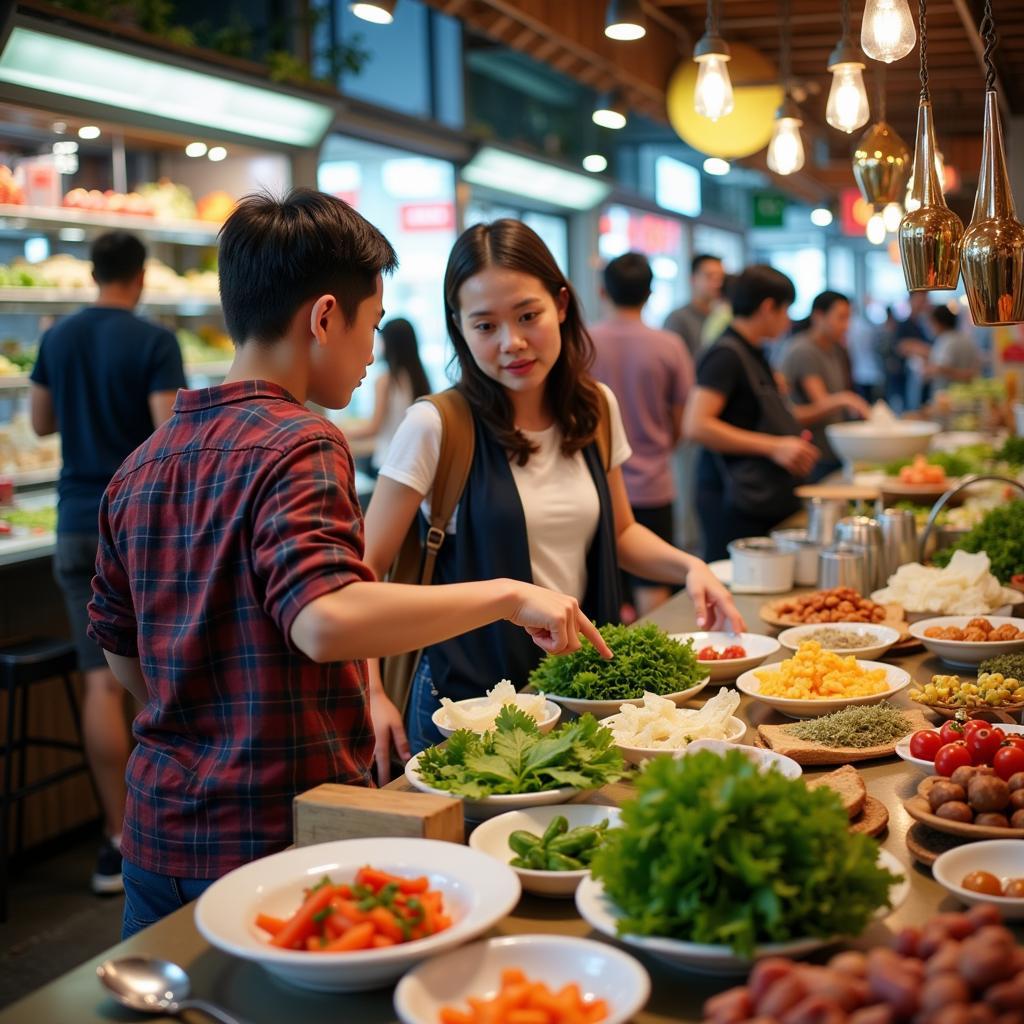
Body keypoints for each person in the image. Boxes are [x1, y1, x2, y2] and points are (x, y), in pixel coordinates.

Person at [86, 191, 612, 938]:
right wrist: (508, 595)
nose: (371, 351)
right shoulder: (302, 440)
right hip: (277, 835)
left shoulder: (140, 464)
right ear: (325, 317)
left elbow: (123, 657)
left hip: (157, 834)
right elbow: (327, 620)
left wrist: (202, 718)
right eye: (369, 324)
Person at [364, 220, 743, 753]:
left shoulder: (594, 408)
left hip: (582, 695)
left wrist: (690, 567)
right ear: (459, 327)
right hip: (470, 707)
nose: (511, 343)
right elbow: (363, 570)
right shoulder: (436, 425)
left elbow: (622, 533)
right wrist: (372, 690)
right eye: (485, 326)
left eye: (527, 316)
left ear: (561, 304)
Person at [29, 231, 187, 896]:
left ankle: (117, 841)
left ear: (92, 273)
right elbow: (167, 436)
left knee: (98, 682)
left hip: (72, 520)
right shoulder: (154, 341)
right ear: (141, 276)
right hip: (136, 525)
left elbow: (39, 424)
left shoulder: (57, 337)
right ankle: (166, 828)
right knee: (157, 674)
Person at [685, 265, 819, 562]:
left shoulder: (752, 351)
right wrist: (774, 446)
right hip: (732, 497)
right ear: (768, 307)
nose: (788, 321)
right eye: (786, 310)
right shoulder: (726, 354)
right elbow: (696, 425)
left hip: (756, 495)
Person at [589, 253, 694, 615]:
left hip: (596, 484)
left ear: (603, 291)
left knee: (606, 589)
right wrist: (663, 444)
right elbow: (682, 417)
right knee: (653, 588)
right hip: (654, 481)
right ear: (649, 293)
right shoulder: (669, 345)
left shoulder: (582, 342)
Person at [780, 291, 870, 480]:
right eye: (841, 318)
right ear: (819, 316)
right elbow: (821, 402)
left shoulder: (835, 348)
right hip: (813, 453)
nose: (846, 326)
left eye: (848, 318)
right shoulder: (805, 350)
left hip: (832, 449)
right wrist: (847, 399)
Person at [346, 317, 431, 473]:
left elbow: (373, 427)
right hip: (416, 460)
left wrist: (338, 431)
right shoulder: (420, 378)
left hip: (390, 460)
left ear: (390, 343)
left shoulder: (385, 380)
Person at [663, 254, 725, 359]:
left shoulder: (723, 317)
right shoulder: (677, 318)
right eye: (710, 276)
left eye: (721, 278)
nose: (717, 283)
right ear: (693, 279)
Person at [925, 304, 982, 392]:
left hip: (948, 394)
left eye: (932, 323)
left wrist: (929, 369)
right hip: (969, 392)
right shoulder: (966, 338)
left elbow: (942, 368)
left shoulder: (945, 341)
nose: (930, 327)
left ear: (939, 323)